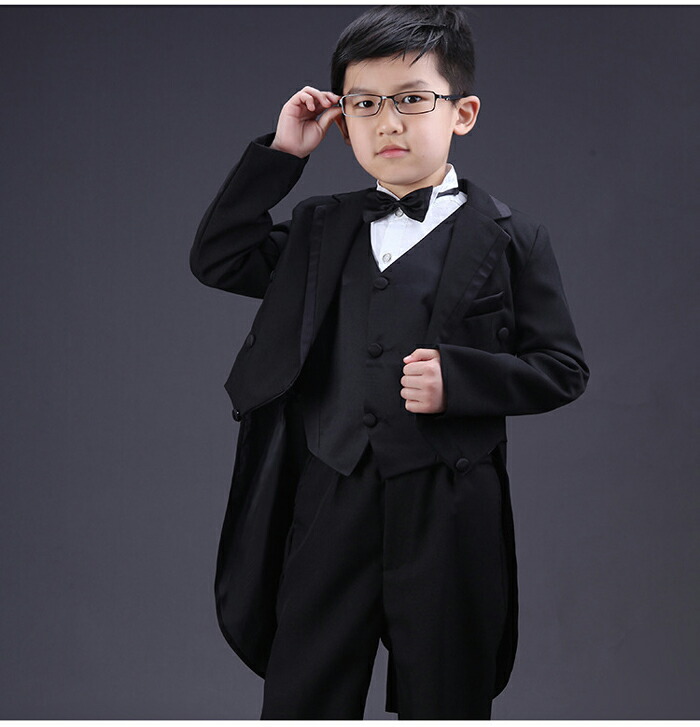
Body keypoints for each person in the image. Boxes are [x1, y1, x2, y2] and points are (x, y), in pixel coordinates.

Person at [189, 5, 589, 720]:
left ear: (462, 113)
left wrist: (461, 380)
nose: (388, 123)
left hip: (448, 503)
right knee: (304, 693)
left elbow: (562, 366)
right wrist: (284, 153)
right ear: (343, 123)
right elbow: (219, 257)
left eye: (410, 100)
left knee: (445, 695)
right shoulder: (318, 227)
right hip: (328, 491)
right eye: (365, 105)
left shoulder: (512, 236)